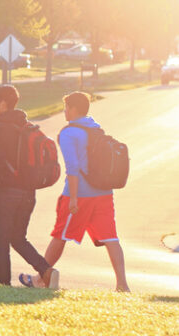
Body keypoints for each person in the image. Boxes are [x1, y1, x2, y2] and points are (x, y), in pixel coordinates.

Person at [22, 91, 130, 292]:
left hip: (80, 195)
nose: (64, 112)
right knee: (111, 238)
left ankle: (40, 279)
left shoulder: (69, 133)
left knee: (60, 234)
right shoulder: (95, 128)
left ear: (72, 109)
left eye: (65, 108)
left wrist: (72, 198)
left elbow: (72, 168)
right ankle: (122, 284)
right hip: (104, 193)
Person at [0, 85, 59, 289]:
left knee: (0, 239)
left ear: (3, 104)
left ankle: (3, 283)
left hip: (8, 192)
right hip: (28, 193)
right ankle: (47, 271)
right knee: (17, 238)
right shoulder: (26, 126)